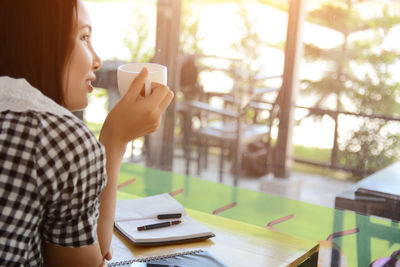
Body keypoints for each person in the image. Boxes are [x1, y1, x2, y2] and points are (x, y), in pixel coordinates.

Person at [0, 0, 174, 266]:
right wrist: (114, 140)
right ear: (40, 44)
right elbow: (94, 257)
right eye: (84, 37)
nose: (96, 60)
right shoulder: (56, 137)